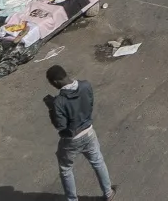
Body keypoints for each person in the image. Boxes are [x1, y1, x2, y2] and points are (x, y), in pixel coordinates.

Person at [43, 65, 114, 201]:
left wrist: (52, 108)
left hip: (71, 139)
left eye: (51, 83)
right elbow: (90, 103)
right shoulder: (86, 85)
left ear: (56, 82)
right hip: (89, 131)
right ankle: (108, 192)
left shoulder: (59, 101)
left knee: (66, 169)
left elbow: (60, 126)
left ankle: (72, 199)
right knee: (98, 162)